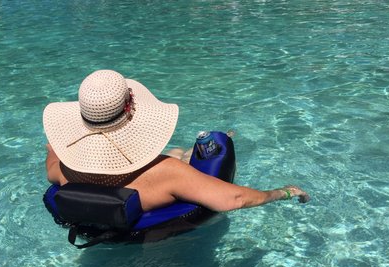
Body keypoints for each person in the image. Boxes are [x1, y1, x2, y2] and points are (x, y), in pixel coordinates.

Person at [43, 70, 309, 214]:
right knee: (187, 155)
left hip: (107, 230)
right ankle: (200, 147)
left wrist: (60, 143)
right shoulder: (166, 174)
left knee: (174, 153)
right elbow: (235, 199)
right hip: (160, 225)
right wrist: (284, 192)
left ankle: (186, 151)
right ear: (131, 111)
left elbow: (51, 163)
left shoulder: (64, 169)